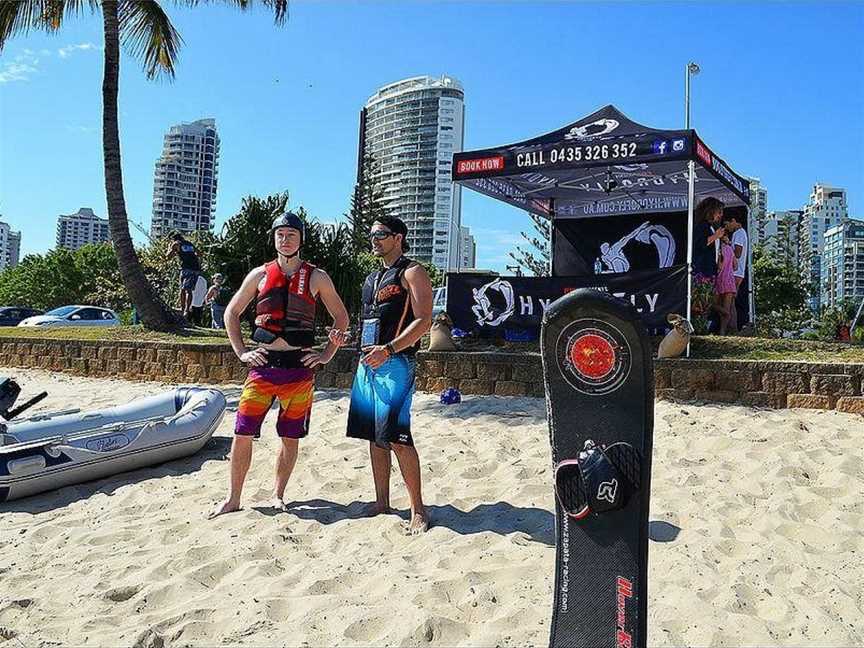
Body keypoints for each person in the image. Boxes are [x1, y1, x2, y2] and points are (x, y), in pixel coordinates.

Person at [209, 212, 350, 518]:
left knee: (289, 435)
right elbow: (231, 314)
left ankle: (278, 494)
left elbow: (341, 318)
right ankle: (234, 498)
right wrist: (242, 352)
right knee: (242, 432)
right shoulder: (259, 275)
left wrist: (326, 354)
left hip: (299, 369)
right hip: (262, 367)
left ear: (301, 239)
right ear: (274, 238)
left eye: (291, 235)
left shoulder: (317, 277)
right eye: (280, 235)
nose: (285, 240)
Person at [346, 216, 433, 535]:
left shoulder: (412, 271)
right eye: (372, 234)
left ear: (398, 237)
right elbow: (371, 321)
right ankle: (382, 501)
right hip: (367, 362)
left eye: (381, 234)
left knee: (397, 435)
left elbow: (424, 320)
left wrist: (390, 349)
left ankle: (418, 510)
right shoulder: (371, 277)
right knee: (374, 434)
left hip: (396, 362)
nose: (374, 240)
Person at [167, 232, 201, 318]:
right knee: (186, 289)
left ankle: (185, 310)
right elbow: (199, 254)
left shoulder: (176, 243)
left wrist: (170, 247)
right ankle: (184, 309)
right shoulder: (189, 243)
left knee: (185, 290)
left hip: (186, 268)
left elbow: (168, 257)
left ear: (173, 239)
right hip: (196, 268)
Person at [725, 216, 749, 333]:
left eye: (727, 224)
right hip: (738, 272)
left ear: (733, 220)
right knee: (731, 301)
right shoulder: (740, 233)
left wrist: (728, 245)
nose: (726, 228)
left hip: (735, 272)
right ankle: (732, 327)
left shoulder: (739, 233)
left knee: (729, 302)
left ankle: (732, 328)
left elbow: (738, 253)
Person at [692, 197, 726, 278]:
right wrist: (715, 236)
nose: (721, 215)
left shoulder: (711, 227)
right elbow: (699, 245)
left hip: (711, 271)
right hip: (701, 271)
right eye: (719, 212)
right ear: (711, 211)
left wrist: (718, 261)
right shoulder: (701, 226)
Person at [713, 233, 738, 335]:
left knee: (713, 304)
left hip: (719, 280)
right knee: (727, 307)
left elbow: (718, 266)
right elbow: (735, 266)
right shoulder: (730, 249)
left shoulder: (718, 250)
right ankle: (722, 332)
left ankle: (725, 313)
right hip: (730, 280)